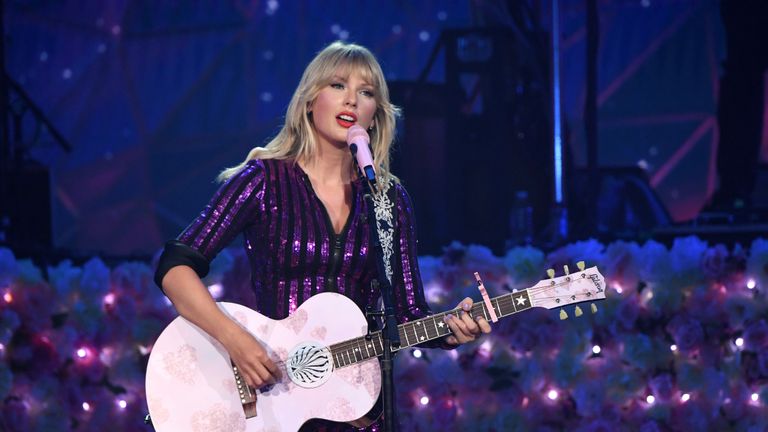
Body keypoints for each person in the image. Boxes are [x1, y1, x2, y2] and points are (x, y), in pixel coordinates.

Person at [153, 41, 492, 431]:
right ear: (310, 100)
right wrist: (237, 342)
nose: (351, 101)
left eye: (365, 93)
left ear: (375, 115)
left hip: (357, 408)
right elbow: (175, 267)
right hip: (274, 398)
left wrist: (452, 331)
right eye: (337, 86)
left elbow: (409, 314)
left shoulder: (388, 198)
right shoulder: (263, 180)